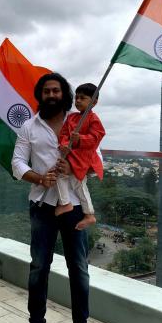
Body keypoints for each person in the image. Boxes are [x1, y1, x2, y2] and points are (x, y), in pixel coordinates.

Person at [12, 73, 97, 323]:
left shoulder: (80, 122)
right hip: (42, 205)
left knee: (79, 268)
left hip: (74, 207)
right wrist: (39, 178)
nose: (51, 95)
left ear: (65, 95)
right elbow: (17, 162)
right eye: (46, 91)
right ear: (40, 95)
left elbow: (96, 157)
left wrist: (74, 167)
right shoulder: (29, 126)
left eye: (56, 91)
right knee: (39, 266)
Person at [55, 83, 105, 230]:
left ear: (94, 102)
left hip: (82, 157)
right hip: (71, 155)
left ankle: (87, 213)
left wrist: (80, 139)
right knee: (62, 176)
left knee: (78, 184)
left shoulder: (93, 119)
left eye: (82, 98)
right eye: (76, 97)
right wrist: (64, 144)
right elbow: (64, 134)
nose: (77, 101)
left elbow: (97, 136)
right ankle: (67, 204)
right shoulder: (72, 117)